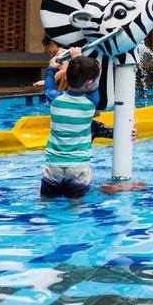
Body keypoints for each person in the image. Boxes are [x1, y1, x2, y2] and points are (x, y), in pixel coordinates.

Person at [40, 51, 104, 198]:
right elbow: (94, 85)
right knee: (77, 207)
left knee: (46, 203)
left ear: (66, 77)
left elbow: (48, 87)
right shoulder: (91, 102)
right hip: (78, 168)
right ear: (89, 82)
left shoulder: (54, 99)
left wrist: (52, 67)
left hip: (53, 167)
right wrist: (77, 59)